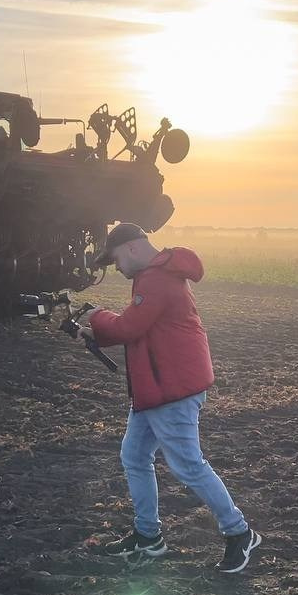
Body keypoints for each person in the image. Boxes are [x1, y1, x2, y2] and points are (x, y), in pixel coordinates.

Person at [77, 223, 261, 573]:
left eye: (114, 259)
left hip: (171, 388)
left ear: (131, 248)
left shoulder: (156, 278)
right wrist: (96, 332)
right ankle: (149, 537)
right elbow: (140, 329)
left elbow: (130, 327)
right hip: (156, 387)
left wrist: (96, 316)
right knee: (134, 456)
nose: (115, 268)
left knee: (188, 464)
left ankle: (240, 533)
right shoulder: (157, 275)